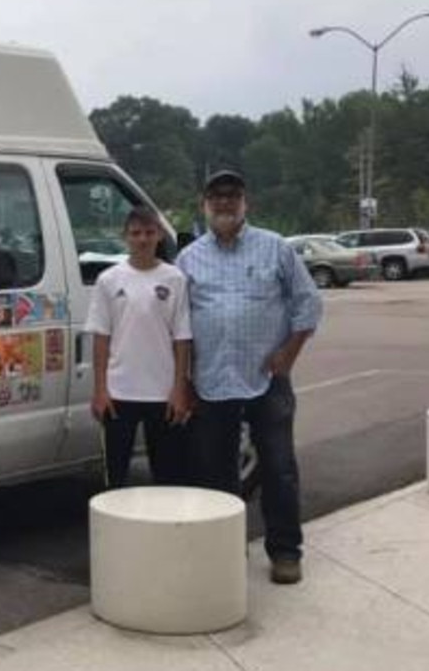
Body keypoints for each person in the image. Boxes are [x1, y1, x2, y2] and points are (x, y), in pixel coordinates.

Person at [176, 170, 322, 585]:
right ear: (204, 203)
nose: (224, 202)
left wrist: (289, 353)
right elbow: (179, 325)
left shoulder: (275, 248)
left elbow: (308, 303)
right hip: (211, 380)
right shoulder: (188, 258)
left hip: (266, 379)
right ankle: (223, 549)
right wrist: (183, 379)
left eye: (232, 195)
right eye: (216, 196)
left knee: (278, 467)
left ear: (246, 202)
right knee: (216, 471)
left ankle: (285, 552)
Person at [86, 207, 193, 488]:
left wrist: (180, 389)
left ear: (159, 235)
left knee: (167, 475)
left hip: (163, 393)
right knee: (116, 476)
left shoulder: (175, 279)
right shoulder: (109, 280)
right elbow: (101, 337)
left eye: (149, 232)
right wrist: (100, 389)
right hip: (119, 393)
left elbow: (182, 338)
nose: (143, 239)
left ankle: (164, 529)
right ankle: (115, 530)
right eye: (136, 233)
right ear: (126, 237)